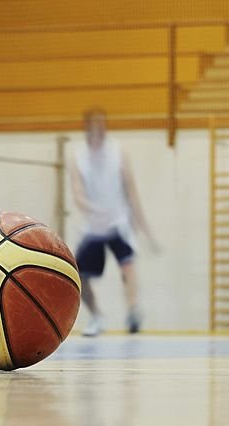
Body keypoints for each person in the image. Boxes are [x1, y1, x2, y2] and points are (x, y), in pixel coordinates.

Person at [69, 108, 158, 336]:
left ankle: (132, 311)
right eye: (94, 124)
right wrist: (93, 209)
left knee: (128, 266)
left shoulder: (119, 151)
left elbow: (132, 191)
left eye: (102, 124)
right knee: (78, 277)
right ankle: (97, 316)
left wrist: (145, 228)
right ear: (87, 127)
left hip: (119, 222)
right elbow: (77, 194)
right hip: (94, 226)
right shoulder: (77, 155)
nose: (99, 129)